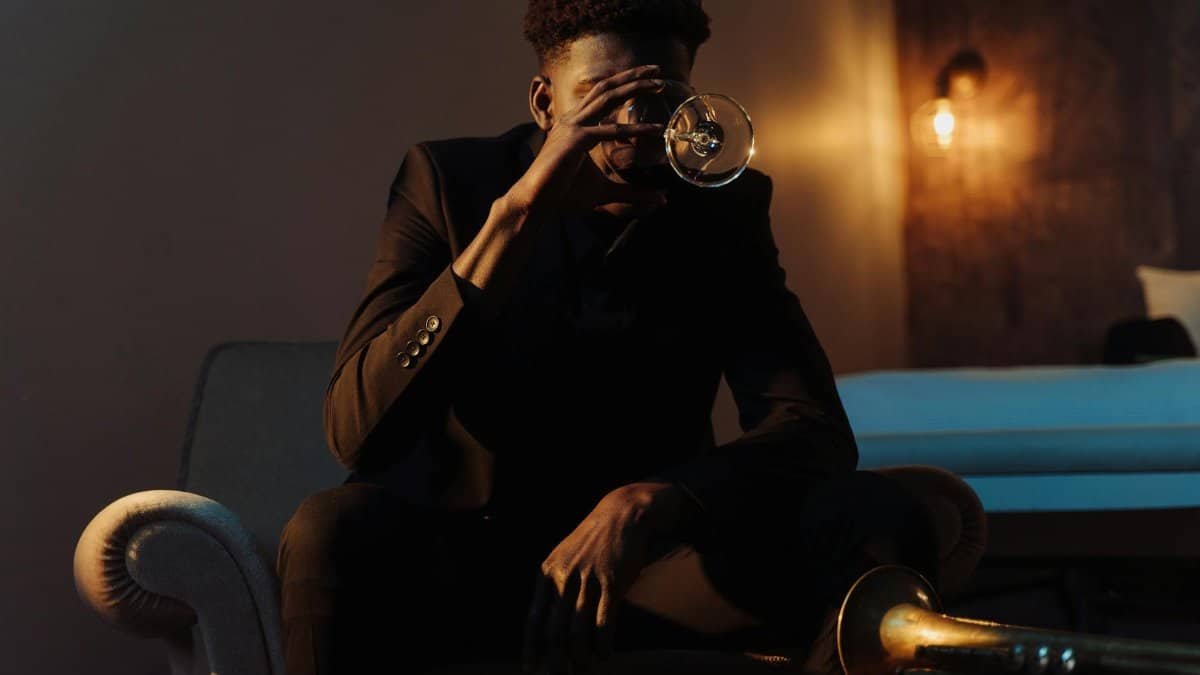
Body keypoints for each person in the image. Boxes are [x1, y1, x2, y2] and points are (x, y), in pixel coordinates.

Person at [277, 1, 937, 674]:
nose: (634, 126)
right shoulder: (450, 184)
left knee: (877, 512)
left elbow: (813, 429)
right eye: (600, 98)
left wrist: (655, 499)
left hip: (640, 576)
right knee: (330, 528)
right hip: (465, 567)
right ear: (544, 102)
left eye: (660, 99)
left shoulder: (722, 209)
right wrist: (517, 218)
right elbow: (356, 432)